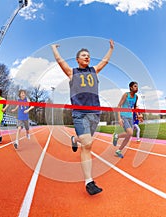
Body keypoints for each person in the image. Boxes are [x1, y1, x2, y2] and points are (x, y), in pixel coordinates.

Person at [51, 39, 114, 195]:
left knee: (86, 142)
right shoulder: (72, 72)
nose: (87, 57)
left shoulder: (94, 71)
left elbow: (105, 61)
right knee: (88, 144)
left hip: (95, 114)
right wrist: (54, 48)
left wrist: (111, 48)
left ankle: (74, 139)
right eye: (83, 55)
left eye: (88, 55)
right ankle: (89, 182)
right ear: (78, 59)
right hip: (80, 114)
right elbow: (60, 61)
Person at [112, 81, 143, 158]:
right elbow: (119, 106)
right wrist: (119, 118)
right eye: (135, 86)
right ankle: (117, 136)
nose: (137, 88)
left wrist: (139, 115)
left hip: (130, 117)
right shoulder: (126, 95)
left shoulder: (136, 97)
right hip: (123, 116)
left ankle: (118, 150)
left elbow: (135, 107)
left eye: (137, 86)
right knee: (130, 132)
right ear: (131, 87)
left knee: (129, 135)